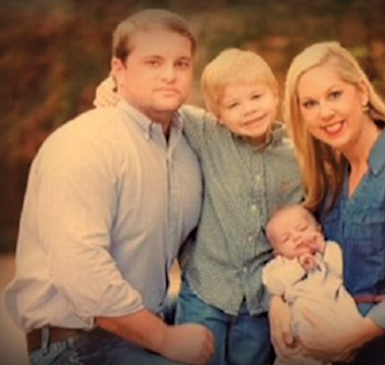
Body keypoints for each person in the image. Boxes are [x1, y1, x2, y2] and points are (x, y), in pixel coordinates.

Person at [4, 9, 215, 365]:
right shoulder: (85, 144)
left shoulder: (186, 149)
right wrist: (166, 339)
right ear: (119, 70)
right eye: (153, 62)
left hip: (148, 320)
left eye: (181, 63)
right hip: (76, 345)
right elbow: (84, 275)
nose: (169, 75)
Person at [94, 48, 304, 365]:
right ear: (218, 114)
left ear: (275, 94)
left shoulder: (296, 156)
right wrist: (114, 90)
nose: (248, 110)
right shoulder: (208, 133)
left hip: (260, 301)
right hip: (206, 292)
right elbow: (158, 105)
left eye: (256, 97)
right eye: (234, 104)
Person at [269, 41, 385, 365]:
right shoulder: (331, 182)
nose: (325, 112)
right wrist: (278, 307)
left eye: (334, 95)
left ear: (361, 93)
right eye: (310, 103)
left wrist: (345, 339)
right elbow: (302, 257)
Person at [262, 204, 363, 365]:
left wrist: (321, 247)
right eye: (286, 239)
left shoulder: (329, 251)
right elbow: (274, 285)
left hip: (335, 320)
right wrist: (299, 266)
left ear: (319, 229)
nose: (297, 237)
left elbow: (342, 270)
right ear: (277, 252)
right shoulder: (279, 265)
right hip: (300, 333)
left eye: (302, 229)